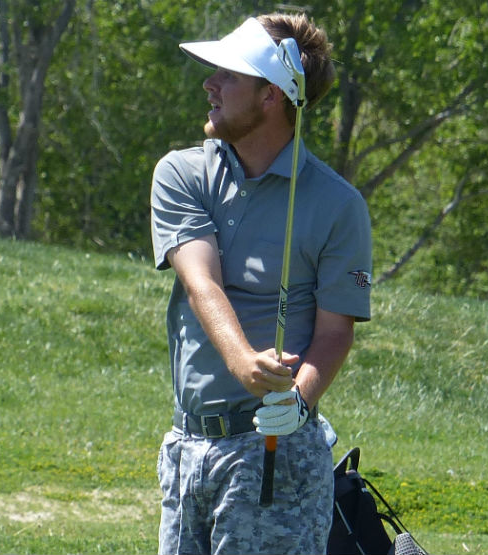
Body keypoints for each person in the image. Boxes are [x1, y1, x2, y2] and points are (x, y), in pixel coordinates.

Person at [150, 13, 372, 555]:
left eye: (227, 74)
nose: (210, 83)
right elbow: (202, 282)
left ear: (271, 94)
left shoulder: (339, 205)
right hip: (186, 447)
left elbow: (334, 332)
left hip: (278, 453)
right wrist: (243, 360)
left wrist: (298, 401)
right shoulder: (182, 174)